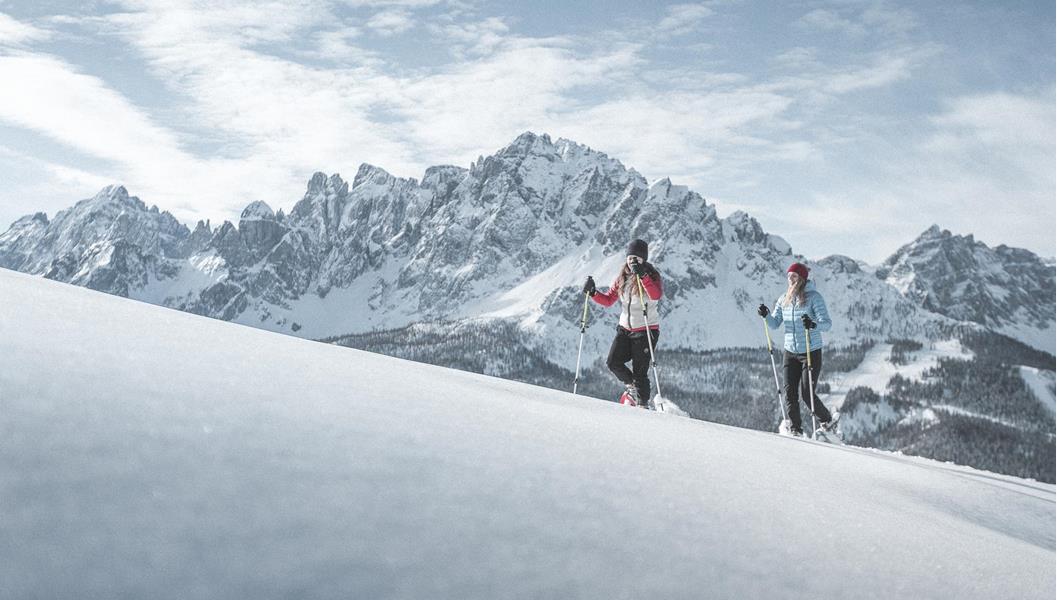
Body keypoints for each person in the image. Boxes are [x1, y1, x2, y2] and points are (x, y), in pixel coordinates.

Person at [582, 239, 663, 409]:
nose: (632, 261)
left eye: (637, 258)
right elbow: (609, 300)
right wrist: (593, 292)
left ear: (644, 259)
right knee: (613, 362)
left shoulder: (652, 275)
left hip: (645, 330)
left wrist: (643, 277)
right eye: (630, 257)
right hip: (625, 329)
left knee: (640, 372)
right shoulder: (622, 278)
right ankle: (632, 387)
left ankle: (642, 404)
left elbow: (655, 295)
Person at [757, 262, 835, 436]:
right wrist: (766, 315)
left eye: (794, 276)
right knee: (789, 392)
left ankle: (827, 421)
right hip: (790, 352)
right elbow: (775, 324)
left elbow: (827, 324)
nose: (790, 279)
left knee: (807, 394)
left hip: (810, 351)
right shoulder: (784, 298)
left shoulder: (814, 297)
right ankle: (795, 430)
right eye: (788, 276)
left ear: (802, 278)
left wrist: (813, 324)